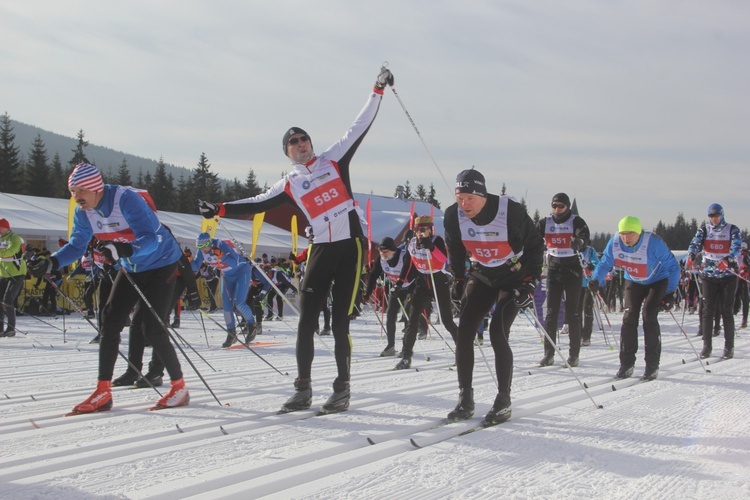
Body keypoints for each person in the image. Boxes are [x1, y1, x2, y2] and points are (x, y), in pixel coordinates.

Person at [197, 66, 394, 415]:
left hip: (351, 247)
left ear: (311, 144)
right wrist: (220, 208)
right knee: (306, 320)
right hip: (320, 249)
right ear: (286, 152)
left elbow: (358, 126)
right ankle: (302, 389)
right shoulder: (289, 184)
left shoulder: (333, 159)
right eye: (293, 142)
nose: (300, 144)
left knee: (339, 323)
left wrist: (376, 90)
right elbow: (257, 203)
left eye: (303, 139)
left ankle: (342, 388)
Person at [28, 163, 189, 413]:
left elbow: (153, 237)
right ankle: (103, 391)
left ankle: (179, 387)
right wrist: (52, 262)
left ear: (95, 188)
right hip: (132, 268)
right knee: (110, 321)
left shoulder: (126, 200)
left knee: (152, 327)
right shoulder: (84, 212)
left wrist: (124, 249)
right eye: (72, 191)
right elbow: (76, 245)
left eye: (80, 190)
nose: (76, 196)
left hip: (161, 264)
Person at [444, 168, 545, 424]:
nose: (464, 204)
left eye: (470, 198)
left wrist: (530, 283)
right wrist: (457, 278)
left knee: (497, 333)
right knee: (464, 332)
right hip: (483, 275)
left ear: (483, 195)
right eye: (460, 198)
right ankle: (465, 398)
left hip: (513, 277)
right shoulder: (452, 216)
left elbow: (535, 246)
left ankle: (503, 400)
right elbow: (455, 249)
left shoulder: (510, 211)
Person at [589, 216, 680, 380]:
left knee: (649, 315)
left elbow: (673, 266)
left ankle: (652, 365)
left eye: (630, 234)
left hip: (657, 280)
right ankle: (626, 364)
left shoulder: (653, 242)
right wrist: (596, 279)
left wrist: (670, 292)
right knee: (629, 317)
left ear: (639, 232)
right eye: (623, 233)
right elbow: (605, 263)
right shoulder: (615, 242)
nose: (626, 238)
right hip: (634, 280)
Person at [395, 215, 458, 370]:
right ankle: (406, 356)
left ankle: (462, 350)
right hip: (422, 282)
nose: (419, 233)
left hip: (438, 281)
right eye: (417, 230)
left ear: (430, 229)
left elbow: (443, 259)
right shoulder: (412, 244)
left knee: (446, 320)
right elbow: (408, 265)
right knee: (412, 319)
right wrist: (399, 283)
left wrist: (431, 247)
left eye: (423, 230)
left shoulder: (437, 240)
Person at [536, 193, 590, 367]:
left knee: (573, 312)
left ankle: (574, 354)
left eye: (560, 206)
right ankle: (548, 353)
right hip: (553, 269)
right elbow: (532, 238)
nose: (557, 210)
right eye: (554, 206)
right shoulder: (545, 222)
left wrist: (579, 242)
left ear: (567, 207)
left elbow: (584, 237)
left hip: (572, 269)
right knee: (551, 313)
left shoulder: (576, 221)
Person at [686, 203, 742, 359]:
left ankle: (729, 346)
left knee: (726, 310)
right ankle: (706, 346)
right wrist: (692, 255)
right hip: (709, 275)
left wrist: (728, 259)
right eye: (711, 216)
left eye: (716, 216)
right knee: (707, 310)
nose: (714, 219)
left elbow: (736, 248)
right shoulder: (704, 229)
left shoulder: (732, 229)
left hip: (728, 275)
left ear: (722, 215)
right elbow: (695, 244)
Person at [190, 232, 260, 347]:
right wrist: (188, 259)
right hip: (226, 275)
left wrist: (222, 255)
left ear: (209, 243)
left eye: (204, 247)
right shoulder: (201, 250)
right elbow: (195, 266)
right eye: (200, 248)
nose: (202, 250)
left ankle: (252, 325)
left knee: (239, 303)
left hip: (242, 271)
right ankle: (231, 333)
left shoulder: (221, 244)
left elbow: (234, 262)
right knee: (226, 305)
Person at [363, 236, 418, 357]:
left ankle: (406, 347)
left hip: (411, 286)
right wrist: (368, 291)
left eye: (385, 251)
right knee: (390, 315)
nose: (382, 254)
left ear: (393, 249)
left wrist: (400, 284)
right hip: (396, 288)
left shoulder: (404, 255)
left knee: (408, 313)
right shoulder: (381, 259)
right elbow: (373, 274)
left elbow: (408, 271)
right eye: (381, 251)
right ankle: (390, 346)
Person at [0, 218, 27, 337]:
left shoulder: (15, 238)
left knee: (8, 300)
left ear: (6, 227)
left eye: (0, 228)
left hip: (16, 273)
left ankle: (11, 328)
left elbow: (10, 252)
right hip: (3, 273)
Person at [577, 244, 600, 346]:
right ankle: (578, 334)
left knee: (587, 308)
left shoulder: (590, 250)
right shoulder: (571, 250)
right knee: (576, 310)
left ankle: (586, 336)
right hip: (575, 284)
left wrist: (590, 268)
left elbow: (596, 264)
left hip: (588, 283)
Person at [733, 242, 749, 329]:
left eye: (743, 249)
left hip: (744, 279)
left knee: (745, 299)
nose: (742, 251)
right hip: (735, 279)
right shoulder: (735, 255)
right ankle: (732, 314)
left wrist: (745, 271)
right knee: (734, 298)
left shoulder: (747, 256)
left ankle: (744, 320)